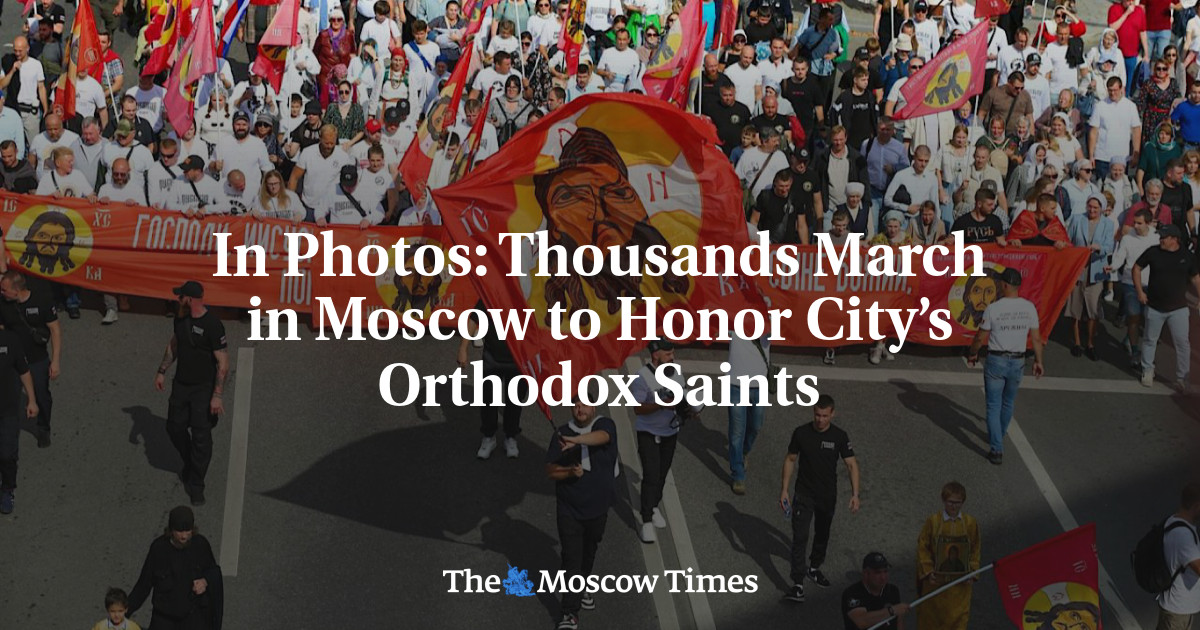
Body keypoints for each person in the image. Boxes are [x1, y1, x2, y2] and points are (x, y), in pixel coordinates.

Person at [154, 281, 229, 507]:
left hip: (203, 389)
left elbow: (222, 362)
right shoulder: (181, 318)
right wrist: (161, 371)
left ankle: (196, 484)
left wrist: (217, 395)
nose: (178, 300)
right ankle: (190, 462)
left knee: (201, 437)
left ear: (190, 299)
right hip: (181, 385)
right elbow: (174, 345)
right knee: (174, 427)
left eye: (181, 297)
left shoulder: (213, 325)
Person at [546, 398, 618, 630]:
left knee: (589, 552)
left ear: (594, 407)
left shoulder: (605, 425)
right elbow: (551, 470)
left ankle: (581, 585)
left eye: (585, 404)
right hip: (569, 510)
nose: (580, 409)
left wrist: (575, 441)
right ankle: (570, 613)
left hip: (598, 509)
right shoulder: (561, 433)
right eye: (576, 405)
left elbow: (602, 438)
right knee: (571, 559)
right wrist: (569, 472)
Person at [781, 394, 861, 602]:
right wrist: (784, 490)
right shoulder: (801, 433)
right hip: (804, 494)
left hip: (827, 496)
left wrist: (855, 494)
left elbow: (851, 465)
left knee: (822, 534)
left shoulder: (840, 436)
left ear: (832, 414)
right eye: (817, 415)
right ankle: (798, 583)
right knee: (800, 536)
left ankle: (814, 567)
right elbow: (790, 460)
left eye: (825, 416)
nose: (820, 419)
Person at [966, 268, 1044, 465]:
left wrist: (973, 353)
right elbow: (1036, 338)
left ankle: (996, 447)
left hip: (996, 361)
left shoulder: (994, 308)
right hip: (1017, 361)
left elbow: (980, 336)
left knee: (993, 405)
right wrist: (1039, 361)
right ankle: (998, 435)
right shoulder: (1029, 308)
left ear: (1005, 286)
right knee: (1008, 402)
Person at [127, 506, 221, 629]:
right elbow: (144, 585)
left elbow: (213, 571)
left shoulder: (200, 545)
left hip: (192, 616)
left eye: (188, 531)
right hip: (164, 618)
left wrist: (205, 581)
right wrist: (123, 611)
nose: (184, 536)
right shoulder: (159, 549)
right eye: (180, 531)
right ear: (171, 530)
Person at [1133, 224, 1200, 392]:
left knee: (1183, 343)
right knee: (1150, 340)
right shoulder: (1153, 252)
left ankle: (1183, 377)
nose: (1160, 239)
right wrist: (1140, 291)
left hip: (1179, 309)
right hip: (1154, 307)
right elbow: (1137, 268)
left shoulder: (1187, 256)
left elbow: (1196, 279)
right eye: (1160, 236)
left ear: (1175, 239)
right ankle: (1147, 370)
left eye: (1164, 237)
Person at [458, 299, 526, 459]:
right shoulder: (492, 291)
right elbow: (474, 317)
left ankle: (510, 437)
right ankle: (489, 437)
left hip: (520, 360)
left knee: (515, 401)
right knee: (488, 399)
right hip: (492, 357)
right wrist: (463, 347)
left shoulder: (529, 295)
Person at [0, 271, 60, 449]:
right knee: (8, 395)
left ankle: (43, 428)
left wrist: (55, 360)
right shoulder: (3, 303)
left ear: (17, 290)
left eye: (4, 290)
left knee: (42, 396)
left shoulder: (42, 301)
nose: (1, 292)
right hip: (13, 361)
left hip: (37, 359)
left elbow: (55, 330)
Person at [915, 482, 980, 630]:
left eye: (958, 502)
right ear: (944, 501)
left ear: (963, 502)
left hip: (959, 588)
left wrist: (973, 572)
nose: (954, 506)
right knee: (930, 622)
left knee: (957, 621)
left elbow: (976, 548)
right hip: (935, 585)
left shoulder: (970, 523)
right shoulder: (933, 521)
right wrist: (928, 571)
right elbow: (922, 547)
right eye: (951, 502)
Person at [1065, 194, 1115, 360]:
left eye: (1096, 207)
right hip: (1078, 269)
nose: (1092, 210)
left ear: (1102, 208)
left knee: (1093, 309)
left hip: (1096, 270)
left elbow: (1109, 247)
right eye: (1090, 206)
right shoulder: (1077, 219)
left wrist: (1099, 248)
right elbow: (1069, 241)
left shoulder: (1108, 224)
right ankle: (1077, 342)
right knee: (1075, 307)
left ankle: (1091, 343)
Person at [1106, 209, 1157, 369]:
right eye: (1134, 222)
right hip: (1130, 283)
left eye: (1139, 223)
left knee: (1146, 319)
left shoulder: (1156, 238)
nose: (1134, 225)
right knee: (1134, 317)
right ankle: (1135, 352)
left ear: (1148, 223)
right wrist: (1112, 267)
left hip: (1151, 284)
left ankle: (1129, 339)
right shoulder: (1127, 238)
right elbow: (1120, 257)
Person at [0, 317, 37, 515]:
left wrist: (31, 399)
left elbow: (23, 371)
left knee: (7, 454)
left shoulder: (10, 340)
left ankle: (7, 489)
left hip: (7, 410)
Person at [1155, 482, 1200, 629]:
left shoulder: (1173, 520)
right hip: (1177, 609)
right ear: (1197, 506)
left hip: (1177, 606)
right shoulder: (1184, 536)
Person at [842, 552, 910, 629]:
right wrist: (891, 611)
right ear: (866, 574)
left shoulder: (893, 590)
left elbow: (899, 622)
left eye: (885, 571)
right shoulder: (852, 593)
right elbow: (861, 621)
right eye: (878, 573)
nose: (883, 577)